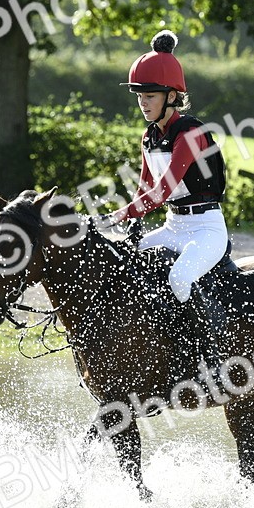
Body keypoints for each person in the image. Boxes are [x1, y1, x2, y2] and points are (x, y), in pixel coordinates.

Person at [100, 29, 228, 366]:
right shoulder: (149, 137)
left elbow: (161, 193)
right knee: (124, 266)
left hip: (206, 230)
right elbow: (143, 189)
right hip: (173, 228)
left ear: (172, 96)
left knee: (179, 277)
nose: (143, 103)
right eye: (140, 97)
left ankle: (206, 356)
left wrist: (114, 217)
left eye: (150, 96)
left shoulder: (188, 134)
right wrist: (131, 222)